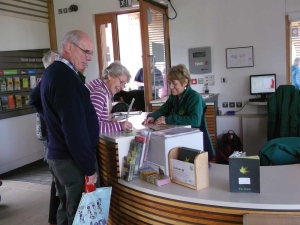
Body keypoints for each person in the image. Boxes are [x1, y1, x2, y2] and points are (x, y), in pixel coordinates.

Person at [30, 30, 99, 225]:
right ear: (69, 47)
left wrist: (54, 121)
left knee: (64, 207)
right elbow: (75, 131)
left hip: (58, 157)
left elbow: (34, 98)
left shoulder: (53, 71)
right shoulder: (66, 78)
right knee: (78, 213)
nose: (89, 58)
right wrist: (89, 167)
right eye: (86, 52)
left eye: (91, 53)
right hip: (71, 160)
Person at [142, 64, 215, 160]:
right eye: (169, 83)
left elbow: (195, 120)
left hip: (195, 144)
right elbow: (163, 110)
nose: (171, 86)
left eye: (174, 83)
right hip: (179, 141)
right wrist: (153, 116)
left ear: (185, 82)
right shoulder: (173, 97)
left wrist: (168, 119)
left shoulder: (194, 97)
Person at [40, 50, 60, 225]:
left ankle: (54, 218)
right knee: (57, 181)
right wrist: (48, 116)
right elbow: (34, 101)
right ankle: (53, 218)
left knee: (58, 183)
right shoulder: (47, 80)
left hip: (54, 136)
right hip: (51, 138)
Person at [85, 61, 133, 133]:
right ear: (110, 75)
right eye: (121, 82)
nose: (122, 87)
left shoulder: (99, 85)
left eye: (124, 84)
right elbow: (92, 126)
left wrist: (105, 117)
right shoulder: (100, 92)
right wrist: (120, 126)